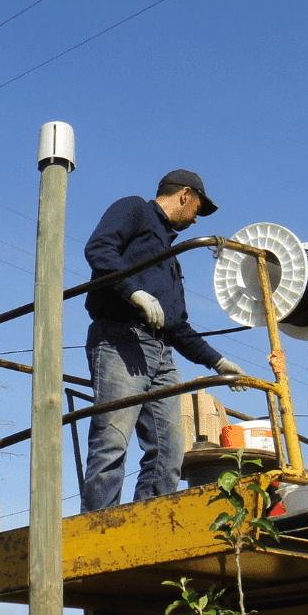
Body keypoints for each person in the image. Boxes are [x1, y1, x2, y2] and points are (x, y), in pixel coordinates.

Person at [81, 169, 245, 512]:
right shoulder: (134, 209)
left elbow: (177, 326)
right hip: (120, 338)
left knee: (169, 450)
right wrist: (134, 291)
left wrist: (217, 361)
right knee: (112, 441)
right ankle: (98, 524)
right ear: (185, 195)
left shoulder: (168, 257)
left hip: (160, 354)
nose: (197, 219)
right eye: (198, 208)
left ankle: (148, 521)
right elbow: (99, 248)